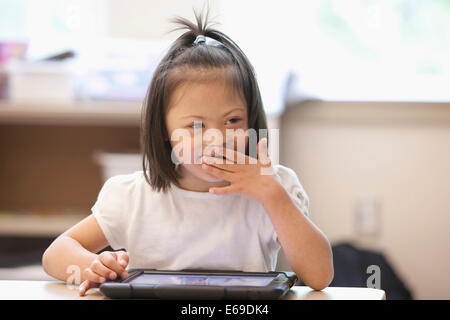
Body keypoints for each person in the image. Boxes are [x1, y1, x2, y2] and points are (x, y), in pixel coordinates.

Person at [42, 10, 334, 296]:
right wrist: (92, 265)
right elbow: (55, 254)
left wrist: (272, 195)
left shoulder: (276, 186)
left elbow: (319, 277)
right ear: (165, 131)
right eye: (196, 125)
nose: (217, 138)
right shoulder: (132, 196)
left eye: (233, 120)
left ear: (252, 120)